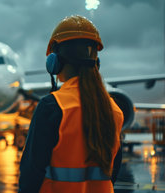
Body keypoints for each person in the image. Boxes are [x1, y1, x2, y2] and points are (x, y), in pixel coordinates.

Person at [18, 15, 124, 193]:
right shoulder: (114, 110)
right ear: (96, 62)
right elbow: (112, 171)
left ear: (55, 63)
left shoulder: (53, 106)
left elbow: (31, 175)